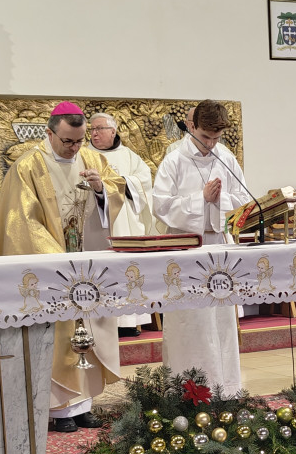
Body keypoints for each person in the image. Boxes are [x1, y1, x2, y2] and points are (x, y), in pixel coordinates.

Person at [0, 101, 126, 431]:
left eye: (80, 141)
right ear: (49, 133)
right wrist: (60, 262)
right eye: (67, 141)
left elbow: (116, 189)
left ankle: (83, 405)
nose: (75, 147)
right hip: (53, 268)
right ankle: (56, 410)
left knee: (89, 330)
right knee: (56, 334)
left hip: (86, 265)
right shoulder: (28, 167)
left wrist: (100, 189)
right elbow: (20, 222)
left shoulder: (93, 159)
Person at [151, 99, 246, 395]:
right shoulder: (174, 160)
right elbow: (160, 206)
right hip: (185, 250)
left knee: (221, 324)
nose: (211, 144)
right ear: (191, 126)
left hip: (218, 246)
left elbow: (242, 198)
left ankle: (226, 390)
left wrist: (219, 200)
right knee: (191, 325)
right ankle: (188, 390)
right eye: (205, 137)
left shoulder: (225, 157)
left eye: (217, 138)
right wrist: (200, 198)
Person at [88, 112, 158, 336]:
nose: (94, 133)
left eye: (99, 128)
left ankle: (128, 322)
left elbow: (144, 180)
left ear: (113, 131)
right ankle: (99, 323)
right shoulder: (84, 155)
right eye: (92, 129)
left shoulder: (129, 156)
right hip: (95, 223)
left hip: (126, 224)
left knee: (126, 270)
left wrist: (118, 183)